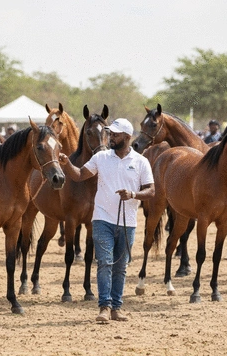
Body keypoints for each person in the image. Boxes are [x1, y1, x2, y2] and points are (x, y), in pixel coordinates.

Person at [59, 118, 155, 323]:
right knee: (104, 263)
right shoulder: (101, 157)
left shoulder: (140, 162)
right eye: (110, 134)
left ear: (127, 137)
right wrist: (67, 165)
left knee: (121, 267)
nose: (111, 137)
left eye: (115, 134)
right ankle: (104, 306)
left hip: (128, 222)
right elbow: (79, 175)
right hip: (102, 219)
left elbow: (151, 190)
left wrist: (133, 194)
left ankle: (116, 308)